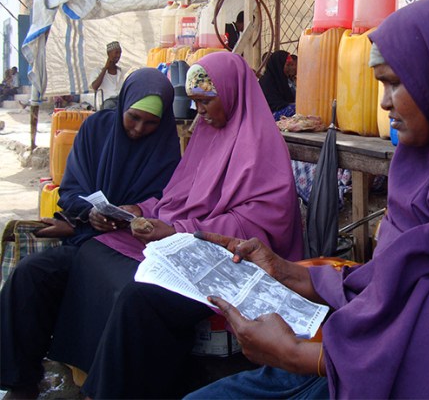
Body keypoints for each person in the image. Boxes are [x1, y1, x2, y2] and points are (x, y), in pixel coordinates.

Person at [185, 0, 429, 399]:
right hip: (367, 362)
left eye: (394, 82)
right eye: (380, 84)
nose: (384, 102)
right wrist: (283, 271)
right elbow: (389, 286)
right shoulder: (420, 172)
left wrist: (299, 356)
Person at [50, 51, 304, 399]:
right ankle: (93, 373)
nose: (199, 111)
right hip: (191, 244)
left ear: (232, 94)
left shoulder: (261, 146)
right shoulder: (206, 135)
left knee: (139, 295)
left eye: (206, 101)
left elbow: (257, 227)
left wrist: (176, 230)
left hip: (235, 264)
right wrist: (141, 209)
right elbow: (177, 198)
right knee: (95, 251)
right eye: (195, 102)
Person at [0, 68, 181, 399]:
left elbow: (172, 203)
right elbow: (70, 191)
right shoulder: (96, 130)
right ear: (123, 105)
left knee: (119, 290)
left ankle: (98, 385)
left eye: (150, 122)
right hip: (84, 237)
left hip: (131, 248)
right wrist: (90, 213)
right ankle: (21, 380)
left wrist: (139, 210)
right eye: (134, 118)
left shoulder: (168, 151)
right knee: (30, 275)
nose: (140, 129)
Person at [259, 50, 297, 120]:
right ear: (279, 65)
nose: (291, 68)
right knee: (297, 108)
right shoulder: (266, 81)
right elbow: (274, 105)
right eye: (288, 65)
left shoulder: (282, 80)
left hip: (282, 110)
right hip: (269, 116)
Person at [90, 41, 124, 109]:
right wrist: (105, 68)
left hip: (119, 100)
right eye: (116, 52)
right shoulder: (98, 70)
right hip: (106, 101)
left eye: (120, 53)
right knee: (110, 106)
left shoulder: (120, 71)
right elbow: (94, 87)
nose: (118, 55)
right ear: (109, 54)